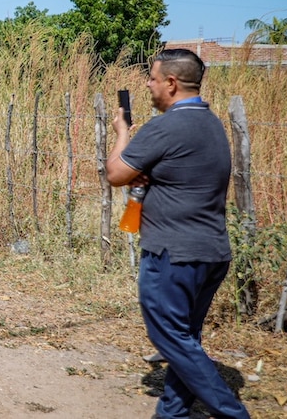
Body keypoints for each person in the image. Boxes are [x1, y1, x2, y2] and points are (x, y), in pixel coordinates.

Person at [106, 48, 250, 419]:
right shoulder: (211, 123)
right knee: (186, 337)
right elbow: (182, 174)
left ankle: (233, 413)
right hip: (212, 251)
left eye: (152, 79)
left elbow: (115, 174)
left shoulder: (166, 126)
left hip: (173, 253)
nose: (149, 87)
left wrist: (122, 133)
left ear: (170, 83)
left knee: (169, 338)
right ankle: (172, 413)